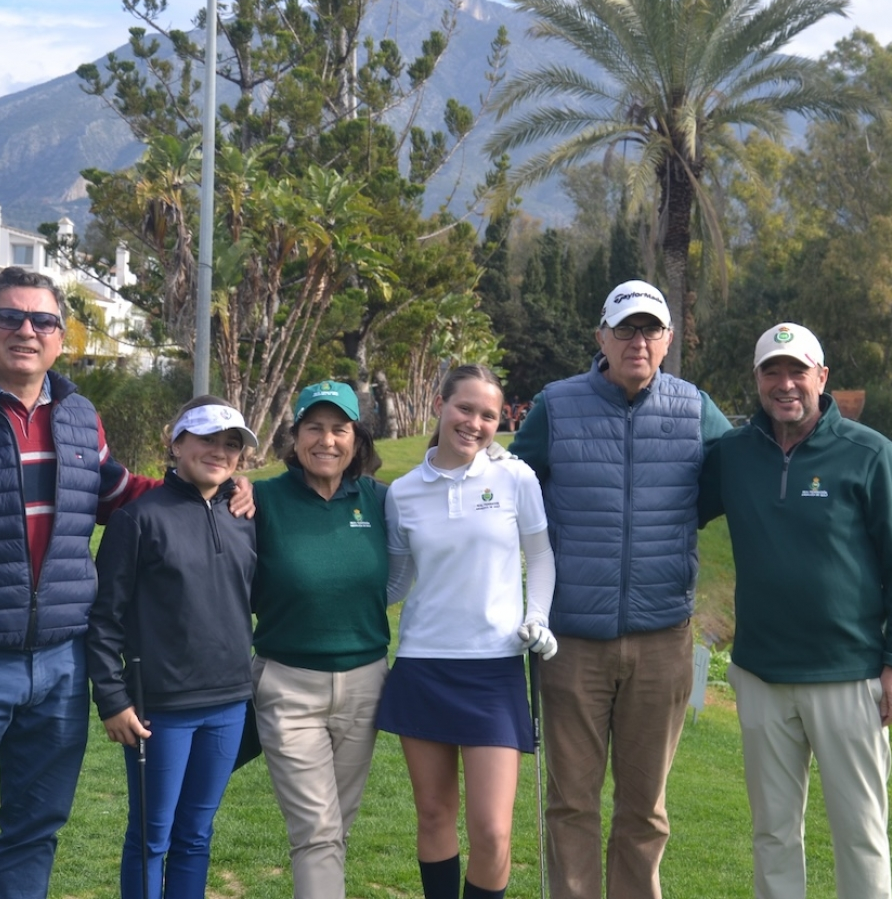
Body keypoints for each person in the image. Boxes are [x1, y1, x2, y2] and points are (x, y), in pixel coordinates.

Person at [0, 265, 251, 899]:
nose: (26, 331)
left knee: (35, 831)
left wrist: (215, 485)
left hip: (63, 665)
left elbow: (119, 493)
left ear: (61, 339)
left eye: (43, 320)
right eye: (10, 317)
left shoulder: (79, 417)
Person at [510, 280, 732, 899]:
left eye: (651, 330)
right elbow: (509, 490)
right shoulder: (557, 405)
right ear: (601, 338)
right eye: (626, 329)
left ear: (668, 340)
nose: (639, 341)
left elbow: (737, 475)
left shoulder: (694, 408)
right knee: (571, 803)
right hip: (571, 642)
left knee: (645, 808)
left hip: (662, 641)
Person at [698, 323, 892, 899]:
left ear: (822, 377)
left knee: (860, 835)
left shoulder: (869, 453)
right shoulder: (733, 454)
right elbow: (672, 507)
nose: (785, 384)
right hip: (761, 675)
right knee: (772, 833)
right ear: (757, 380)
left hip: (849, 677)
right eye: (771, 371)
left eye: (797, 371)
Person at [380, 364, 557, 899]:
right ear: (440, 405)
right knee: (434, 814)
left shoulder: (515, 478)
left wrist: (537, 616)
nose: (474, 423)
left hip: (494, 668)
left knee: (493, 832)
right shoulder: (403, 493)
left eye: (488, 415)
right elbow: (396, 581)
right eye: (465, 408)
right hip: (423, 663)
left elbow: (540, 556)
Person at [87, 396, 259, 899]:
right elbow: (103, 619)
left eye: (231, 444)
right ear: (177, 442)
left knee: (196, 835)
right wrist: (112, 699)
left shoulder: (245, 515)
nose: (219, 451)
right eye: (207, 439)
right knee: (151, 837)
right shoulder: (137, 519)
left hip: (229, 703)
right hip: (159, 710)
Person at [251, 380, 391, 898]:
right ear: (295, 437)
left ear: (357, 440)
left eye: (339, 429)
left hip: (366, 685)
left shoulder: (380, 500)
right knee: (317, 830)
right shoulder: (261, 499)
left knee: (336, 826)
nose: (326, 441)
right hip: (288, 686)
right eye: (314, 428)